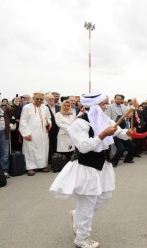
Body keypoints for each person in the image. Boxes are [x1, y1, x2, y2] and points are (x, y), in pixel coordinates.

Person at [50, 91, 132, 248]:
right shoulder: (78, 124)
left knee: (105, 195)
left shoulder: (103, 118)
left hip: (103, 164)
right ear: (93, 106)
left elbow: (118, 131)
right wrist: (101, 135)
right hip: (85, 166)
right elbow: (83, 146)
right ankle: (81, 238)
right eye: (103, 104)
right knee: (87, 204)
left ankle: (78, 215)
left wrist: (128, 133)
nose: (105, 106)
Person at [19, 92, 51, 176]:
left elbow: (49, 118)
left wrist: (49, 124)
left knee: (43, 149)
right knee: (31, 150)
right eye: (37, 99)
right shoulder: (27, 108)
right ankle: (31, 168)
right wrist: (26, 133)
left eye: (41, 99)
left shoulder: (45, 108)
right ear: (33, 98)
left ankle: (42, 166)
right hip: (31, 133)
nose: (39, 100)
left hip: (43, 133)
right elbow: (23, 121)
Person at [0, 97, 20, 178]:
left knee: (5, 152)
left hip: (4, 132)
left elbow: (13, 112)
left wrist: (15, 104)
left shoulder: (4, 107)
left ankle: (4, 171)